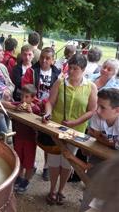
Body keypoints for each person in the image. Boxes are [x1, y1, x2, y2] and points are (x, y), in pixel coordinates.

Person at [42, 53, 97, 205]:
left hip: (76, 131)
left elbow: (92, 110)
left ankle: (61, 190)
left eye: (75, 68)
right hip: (56, 128)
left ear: (84, 69)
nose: (71, 71)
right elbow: (50, 102)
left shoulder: (91, 87)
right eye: (70, 67)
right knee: (54, 160)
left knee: (67, 162)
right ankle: (52, 190)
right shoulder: (60, 82)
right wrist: (47, 112)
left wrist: (75, 122)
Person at [22, 47, 61, 181]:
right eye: (42, 57)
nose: (44, 60)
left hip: (49, 112)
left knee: (47, 139)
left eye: (47, 58)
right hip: (33, 109)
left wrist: (48, 105)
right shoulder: (31, 71)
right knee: (31, 138)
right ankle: (29, 165)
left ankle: (46, 167)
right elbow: (26, 89)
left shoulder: (58, 75)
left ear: (53, 60)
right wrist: (39, 102)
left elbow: (58, 95)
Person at [80, 88, 119, 212]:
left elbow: (96, 135)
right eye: (97, 105)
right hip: (100, 154)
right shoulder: (97, 116)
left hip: (115, 162)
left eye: (102, 107)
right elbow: (96, 135)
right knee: (91, 186)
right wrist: (112, 143)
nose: (97, 110)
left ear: (117, 110)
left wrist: (102, 139)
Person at [2, 84, 41, 193]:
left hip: (30, 139)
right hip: (18, 137)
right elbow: (4, 104)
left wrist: (31, 113)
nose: (23, 99)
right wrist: (15, 107)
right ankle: (19, 177)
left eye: (27, 97)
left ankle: (26, 180)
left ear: (33, 98)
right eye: (22, 96)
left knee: (28, 162)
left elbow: (38, 123)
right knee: (19, 159)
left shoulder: (35, 109)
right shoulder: (19, 104)